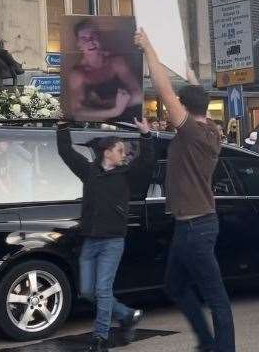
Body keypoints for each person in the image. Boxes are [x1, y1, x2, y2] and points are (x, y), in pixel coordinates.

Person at [134, 29, 234, 352]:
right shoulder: (212, 129)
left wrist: (149, 48)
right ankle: (206, 341)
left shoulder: (191, 131)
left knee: (216, 295)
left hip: (197, 227)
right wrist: (184, 62)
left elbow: (164, 91)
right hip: (189, 225)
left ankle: (222, 348)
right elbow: (190, 90)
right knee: (175, 285)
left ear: (185, 109)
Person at [56, 117, 155, 351]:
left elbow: (147, 161)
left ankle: (100, 338)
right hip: (90, 240)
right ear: (107, 152)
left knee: (102, 290)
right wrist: (62, 127)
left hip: (113, 240)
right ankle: (127, 314)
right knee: (87, 291)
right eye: (120, 150)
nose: (124, 154)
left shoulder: (126, 173)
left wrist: (146, 135)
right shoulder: (88, 171)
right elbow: (66, 152)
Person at [66, 19, 143, 122]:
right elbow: (78, 113)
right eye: (84, 38)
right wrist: (115, 110)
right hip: (97, 128)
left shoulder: (116, 62)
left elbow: (138, 96)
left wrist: (102, 105)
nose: (90, 42)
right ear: (78, 44)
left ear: (99, 37)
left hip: (127, 123)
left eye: (93, 36)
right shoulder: (78, 74)